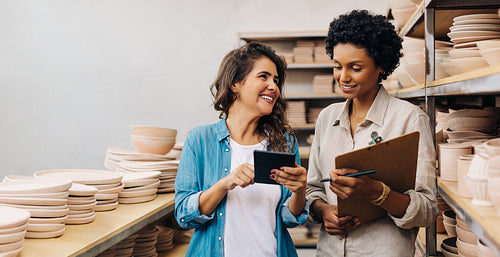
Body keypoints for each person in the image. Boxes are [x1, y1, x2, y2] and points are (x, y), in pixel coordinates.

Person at [306, 10, 438, 257]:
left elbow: (428, 210)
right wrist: (323, 211)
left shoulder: (409, 119)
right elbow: (312, 189)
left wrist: (377, 193)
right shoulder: (327, 118)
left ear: (380, 66)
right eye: (337, 66)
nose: (343, 77)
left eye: (355, 68)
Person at [174, 42, 309, 257]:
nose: (273, 86)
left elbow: (288, 217)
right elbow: (183, 215)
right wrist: (225, 184)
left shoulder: (284, 143)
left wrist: (300, 190)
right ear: (235, 83)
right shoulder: (200, 140)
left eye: (276, 80)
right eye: (263, 77)